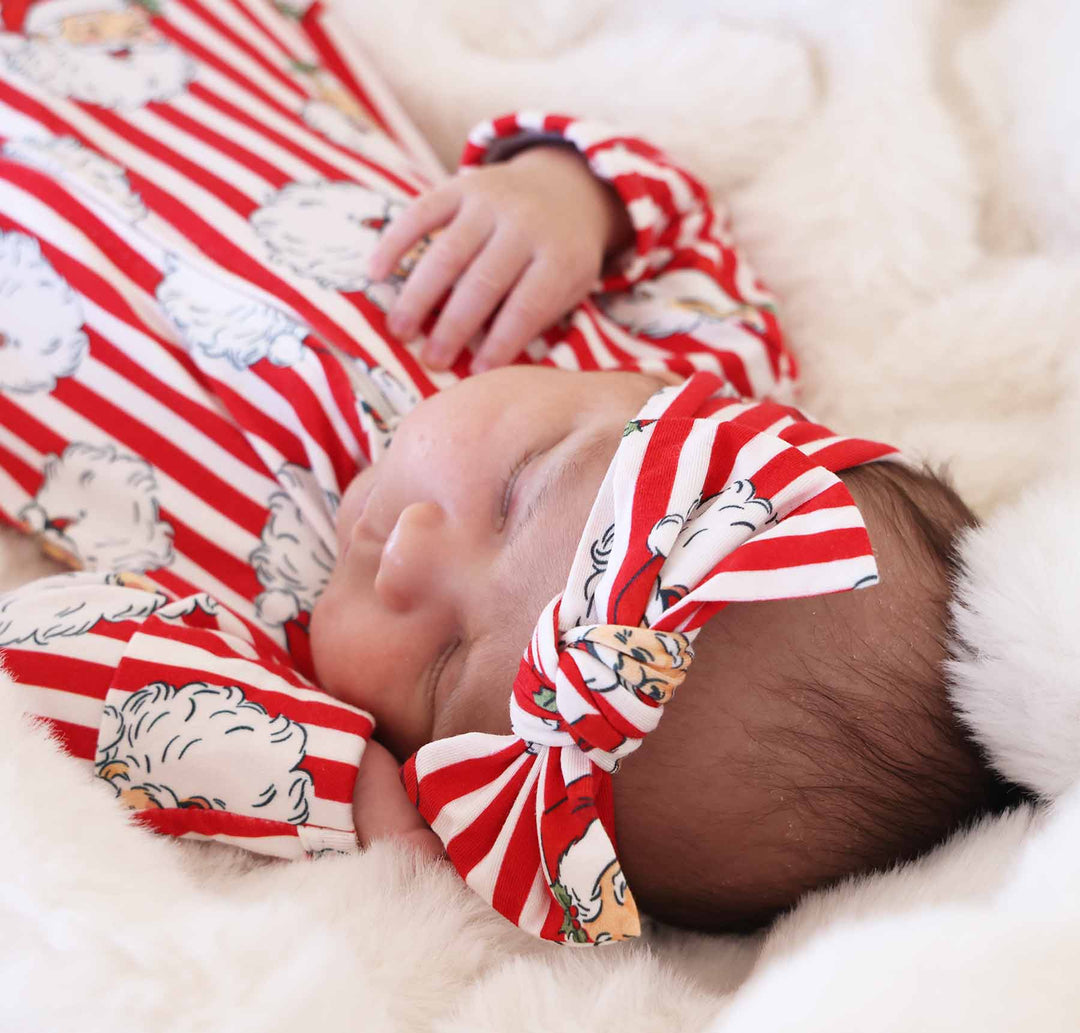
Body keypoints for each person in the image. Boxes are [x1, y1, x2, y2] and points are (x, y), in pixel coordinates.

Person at [0, 0, 1006, 942]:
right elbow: (679, 228)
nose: (407, 559)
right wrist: (570, 198)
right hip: (165, 54)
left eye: (441, 668)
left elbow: (41, 660)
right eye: (518, 488)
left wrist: (324, 775)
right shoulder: (693, 369)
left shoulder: (277, 670)